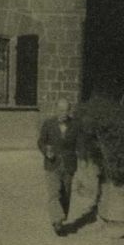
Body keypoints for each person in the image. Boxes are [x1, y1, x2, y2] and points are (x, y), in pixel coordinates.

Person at [37, 97, 86, 236]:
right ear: (56, 109)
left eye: (65, 110)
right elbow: (41, 141)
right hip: (52, 164)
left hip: (69, 164)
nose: (63, 113)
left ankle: (61, 217)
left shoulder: (75, 125)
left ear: (69, 111)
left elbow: (80, 144)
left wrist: (82, 158)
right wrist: (46, 150)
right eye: (60, 110)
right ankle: (57, 221)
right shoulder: (48, 124)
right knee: (54, 192)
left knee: (66, 193)